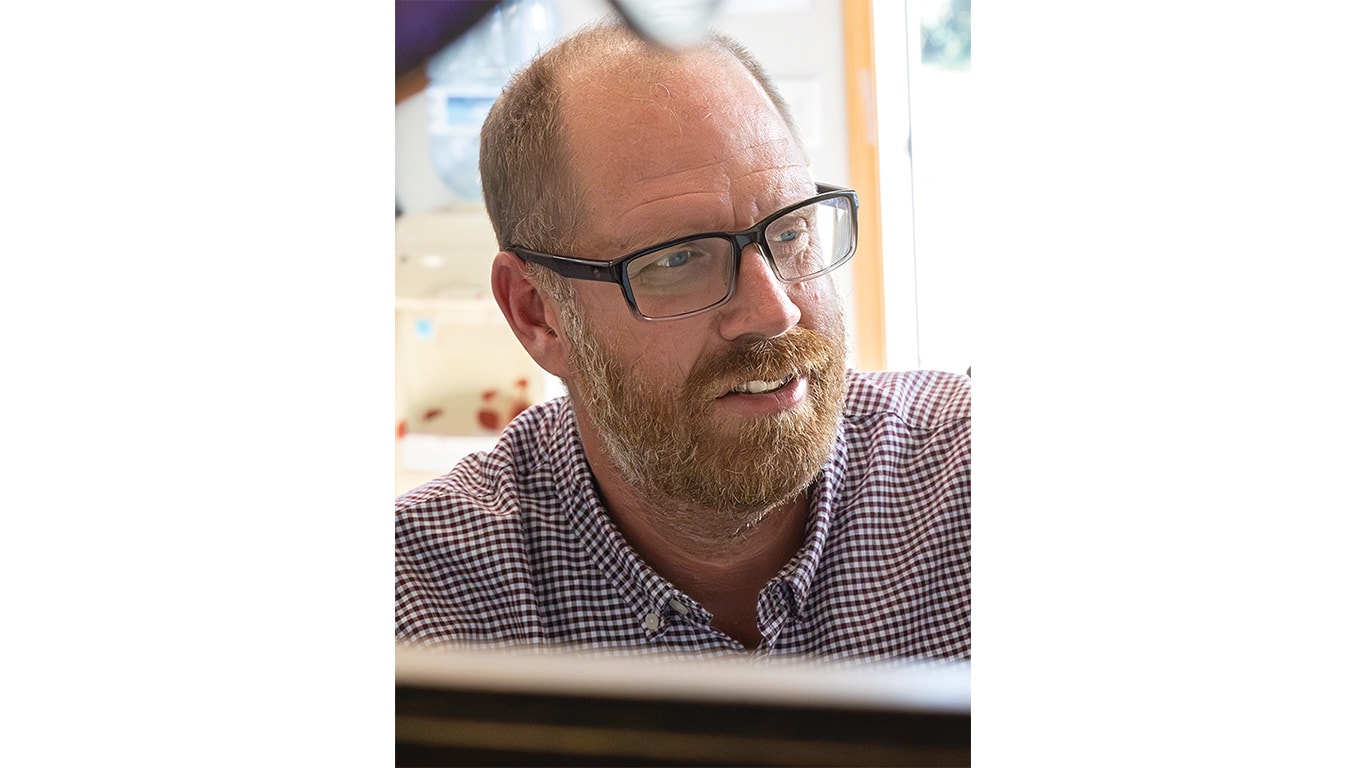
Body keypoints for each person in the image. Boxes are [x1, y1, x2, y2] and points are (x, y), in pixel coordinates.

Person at [395, 21, 970, 661]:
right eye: (676, 261)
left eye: (791, 230)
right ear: (537, 314)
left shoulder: (966, 491)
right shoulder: (422, 617)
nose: (773, 311)